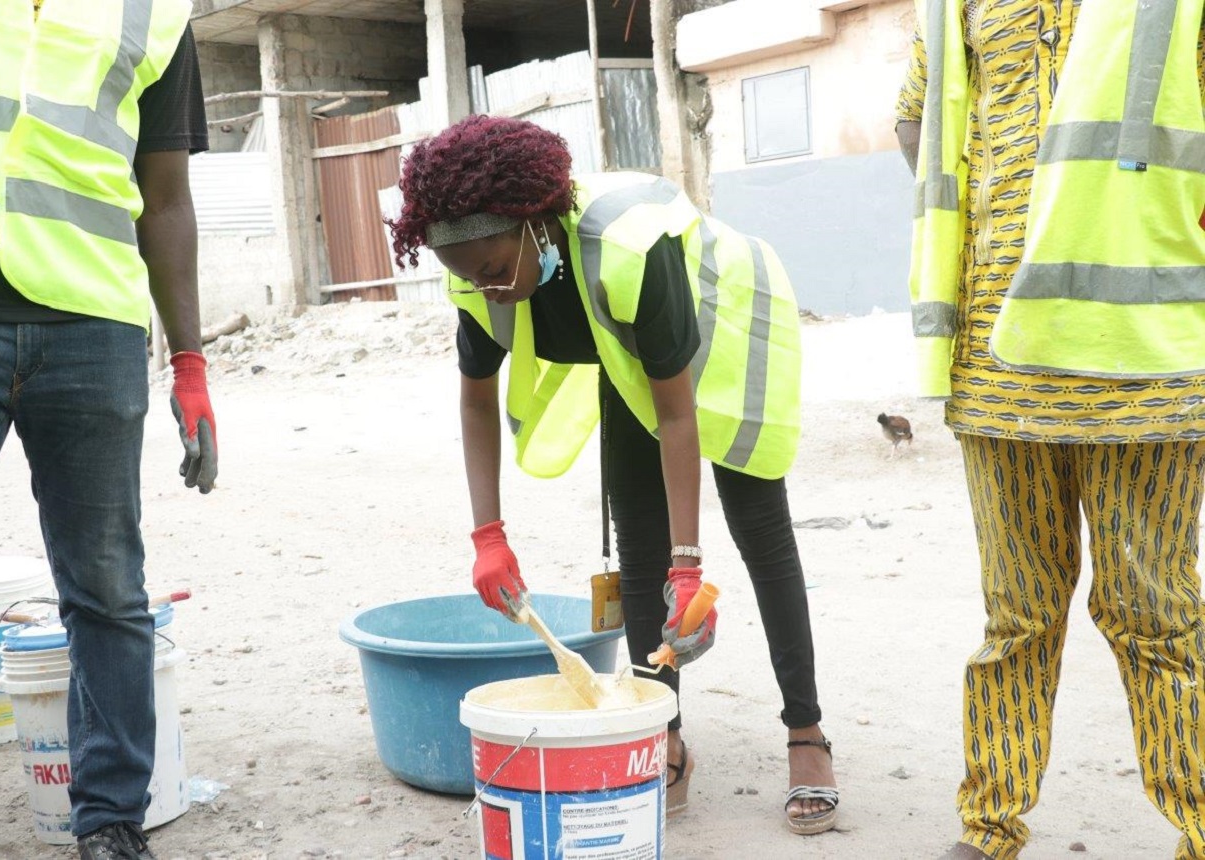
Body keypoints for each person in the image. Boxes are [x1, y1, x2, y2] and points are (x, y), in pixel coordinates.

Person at [387, 114, 839, 834]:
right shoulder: (478, 267)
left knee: (758, 527)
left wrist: (689, 570)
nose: (485, 290)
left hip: (725, 313)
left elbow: (678, 416)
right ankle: (664, 732)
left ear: (535, 226)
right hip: (625, 343)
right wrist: (487, 537)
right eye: (468, 278)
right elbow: (475, 400)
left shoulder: (628, 252)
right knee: (638, 537)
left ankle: (806, 732)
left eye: (495, 272)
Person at [897, 2, 1205, 857]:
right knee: (1016, 618)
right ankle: (990, 825)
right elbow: (917, 117)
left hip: (1143, 366)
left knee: (1155, 614)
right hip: (997, 367)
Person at [0, 1, 216, 858]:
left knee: (108, 584)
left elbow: (166, 196)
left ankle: (111, 819)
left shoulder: (157, 14)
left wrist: (190, 362)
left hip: (93, 322)